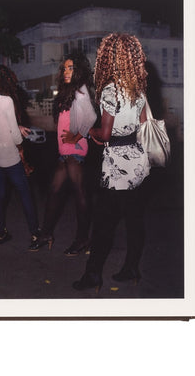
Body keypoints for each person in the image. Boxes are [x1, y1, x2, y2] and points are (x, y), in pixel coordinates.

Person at [73, 33, 151, 292]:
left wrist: (91, 132)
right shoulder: (139, 89)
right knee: (134, 219)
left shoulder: (110, 90)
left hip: (117, 165)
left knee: (103, 223)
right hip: (138, 162)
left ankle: (93, 275)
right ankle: (131, 268)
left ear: (108, 58)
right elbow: (143, 126)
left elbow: (105, 133)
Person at [30, 52, 97, 254]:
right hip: (65, 151)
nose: (66, 72)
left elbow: (91, 117)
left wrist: (76, 137)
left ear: (79, 71)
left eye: (71, 68)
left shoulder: (80, 91)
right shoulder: (69, 91)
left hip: (74, 150)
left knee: (79, 194)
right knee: (54, 190)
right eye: (65, 68)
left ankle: (82, 239)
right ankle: (46, 234)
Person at [0, 65, 42, 249]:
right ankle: (35, 235)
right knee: (25, 194)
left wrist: (17, 127)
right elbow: (14, 136)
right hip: (9, 155)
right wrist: (20, 139)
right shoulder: (6, 100)